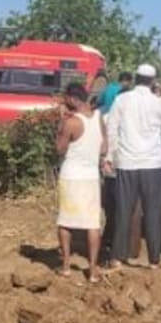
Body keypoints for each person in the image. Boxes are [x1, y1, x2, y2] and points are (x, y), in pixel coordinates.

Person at [104, 64, 161, 269]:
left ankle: (117, 257)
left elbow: (112, 129)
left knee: (123, 210)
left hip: (127, 162)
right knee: (153, 212)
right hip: (152, 163)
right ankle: (154, 260)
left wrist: (110, 156)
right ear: (153, 81)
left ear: (136, 78)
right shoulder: (158, 102)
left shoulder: (122, 100)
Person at [54, 82, 106, 282]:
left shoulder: (71, 123)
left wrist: (61, 122)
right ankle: (92, 270)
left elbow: (59, 148)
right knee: (92, 223)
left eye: (66, 98)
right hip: (91, 176)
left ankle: (66, 265)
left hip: (71, 176)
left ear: (73, 99)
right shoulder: (98, 118)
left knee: (65, 221)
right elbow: (103, 147)